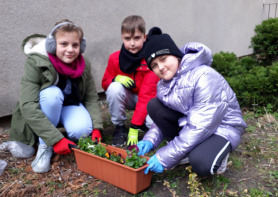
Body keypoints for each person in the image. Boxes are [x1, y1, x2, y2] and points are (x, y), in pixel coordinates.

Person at [137, 27, 247, 177]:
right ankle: (186, 149)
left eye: (163, 59)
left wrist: (164, 157)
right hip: (193, 123)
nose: (160, 67)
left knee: (201, 164)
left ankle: (208, 152)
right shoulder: (164, 85)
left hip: (222, 127)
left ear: (176, 56)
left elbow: (202, 124)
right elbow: (165, 116)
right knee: (155, 105)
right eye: (154, 65)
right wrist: (150, 140)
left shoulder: (204, 76)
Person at [9, 19, 103, 173]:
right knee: (52, 94)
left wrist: (97, 127)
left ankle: (63, 135)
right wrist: (54, 139)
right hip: (46, 106)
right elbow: (28, 105)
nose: (70, 50)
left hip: (68, 105)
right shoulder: (36, 62)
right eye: (64, 44)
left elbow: (91, 97)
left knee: (83, 130)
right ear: (53, 45)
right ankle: (45, 145)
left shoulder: (83, 64)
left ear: (81, 46)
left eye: (75, 45)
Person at [101, 15, 159, 147]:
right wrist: (115, 79)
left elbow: (146, 96)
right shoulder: (114, 58)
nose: (132, 43)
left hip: (149, 99)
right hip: (130, 97)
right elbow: (105, 84)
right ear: (122, 38)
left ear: (144, 37)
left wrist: (134, 127)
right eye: (127, 38)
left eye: (137, 38)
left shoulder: (151, 60)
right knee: (114, 88)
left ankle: (143, 122)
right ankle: (120, 127)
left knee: (152, 124)